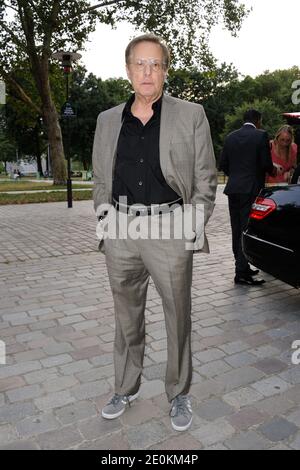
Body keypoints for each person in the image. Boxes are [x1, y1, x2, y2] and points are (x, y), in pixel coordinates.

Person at [92, 33, 217, 432]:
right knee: (126, 316)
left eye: (155, 64)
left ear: (165, 71)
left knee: (177, 314)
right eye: (139, 64)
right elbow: (99, 178)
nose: (147, 71)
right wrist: (106, 223)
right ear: (127, 70)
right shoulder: (107, 120)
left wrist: (190, 227)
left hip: (171, 226)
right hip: (121, 228)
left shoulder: (191, 114)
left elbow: (205, 180)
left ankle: (178, 393)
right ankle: (124, 387)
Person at [219, 109, 275, 286]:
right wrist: (272, 171)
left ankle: (242, 266)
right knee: (247, 229)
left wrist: (236, 177)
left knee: (236, 229)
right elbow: (266, 164)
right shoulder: (261, 136)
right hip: (251, 190)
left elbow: (223, 165)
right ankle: (241, 273)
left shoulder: (230, 137)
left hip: (233, 189)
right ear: (258, 120)